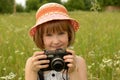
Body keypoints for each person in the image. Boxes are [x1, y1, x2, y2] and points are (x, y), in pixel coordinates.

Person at [25, 2, 87, 80]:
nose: (56, 41)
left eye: (61, 33)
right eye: (49, 35)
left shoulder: (78, 62)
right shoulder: (33, 62)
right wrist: (33, 71)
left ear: (69, 34)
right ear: (41, 38)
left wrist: (72, 71)